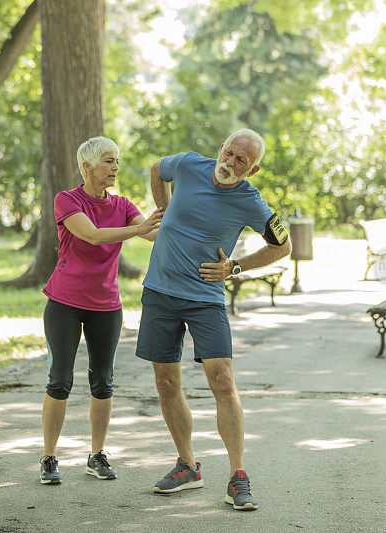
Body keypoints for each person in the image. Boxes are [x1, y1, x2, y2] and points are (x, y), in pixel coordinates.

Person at [135, 129, 291, 511]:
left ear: (252, 169)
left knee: (222, 380)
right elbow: (157, 169)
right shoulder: (188, 164)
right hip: (160, 291)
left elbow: (283, 245)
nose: (230, 162)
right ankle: (187, 465)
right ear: (221, 147)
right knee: (165, 381)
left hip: (205, 298)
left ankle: (238, 476)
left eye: (241, 160)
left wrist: (234, 267)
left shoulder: (250, 200)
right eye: (229, 152)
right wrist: (164, 209)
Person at [39, 136, 163, 485]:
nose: (115, 167)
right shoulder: (67, 200)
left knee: (103, 381)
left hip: (106, 307)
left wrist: (179, 221)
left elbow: (152, 232)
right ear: (87, 166)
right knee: (60, 380)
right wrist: (139, 229)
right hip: (63, 303)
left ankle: (97, 455)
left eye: (117, 161)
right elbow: (92, 235)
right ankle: (49, 457)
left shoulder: (122, 203)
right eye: (109, 161)